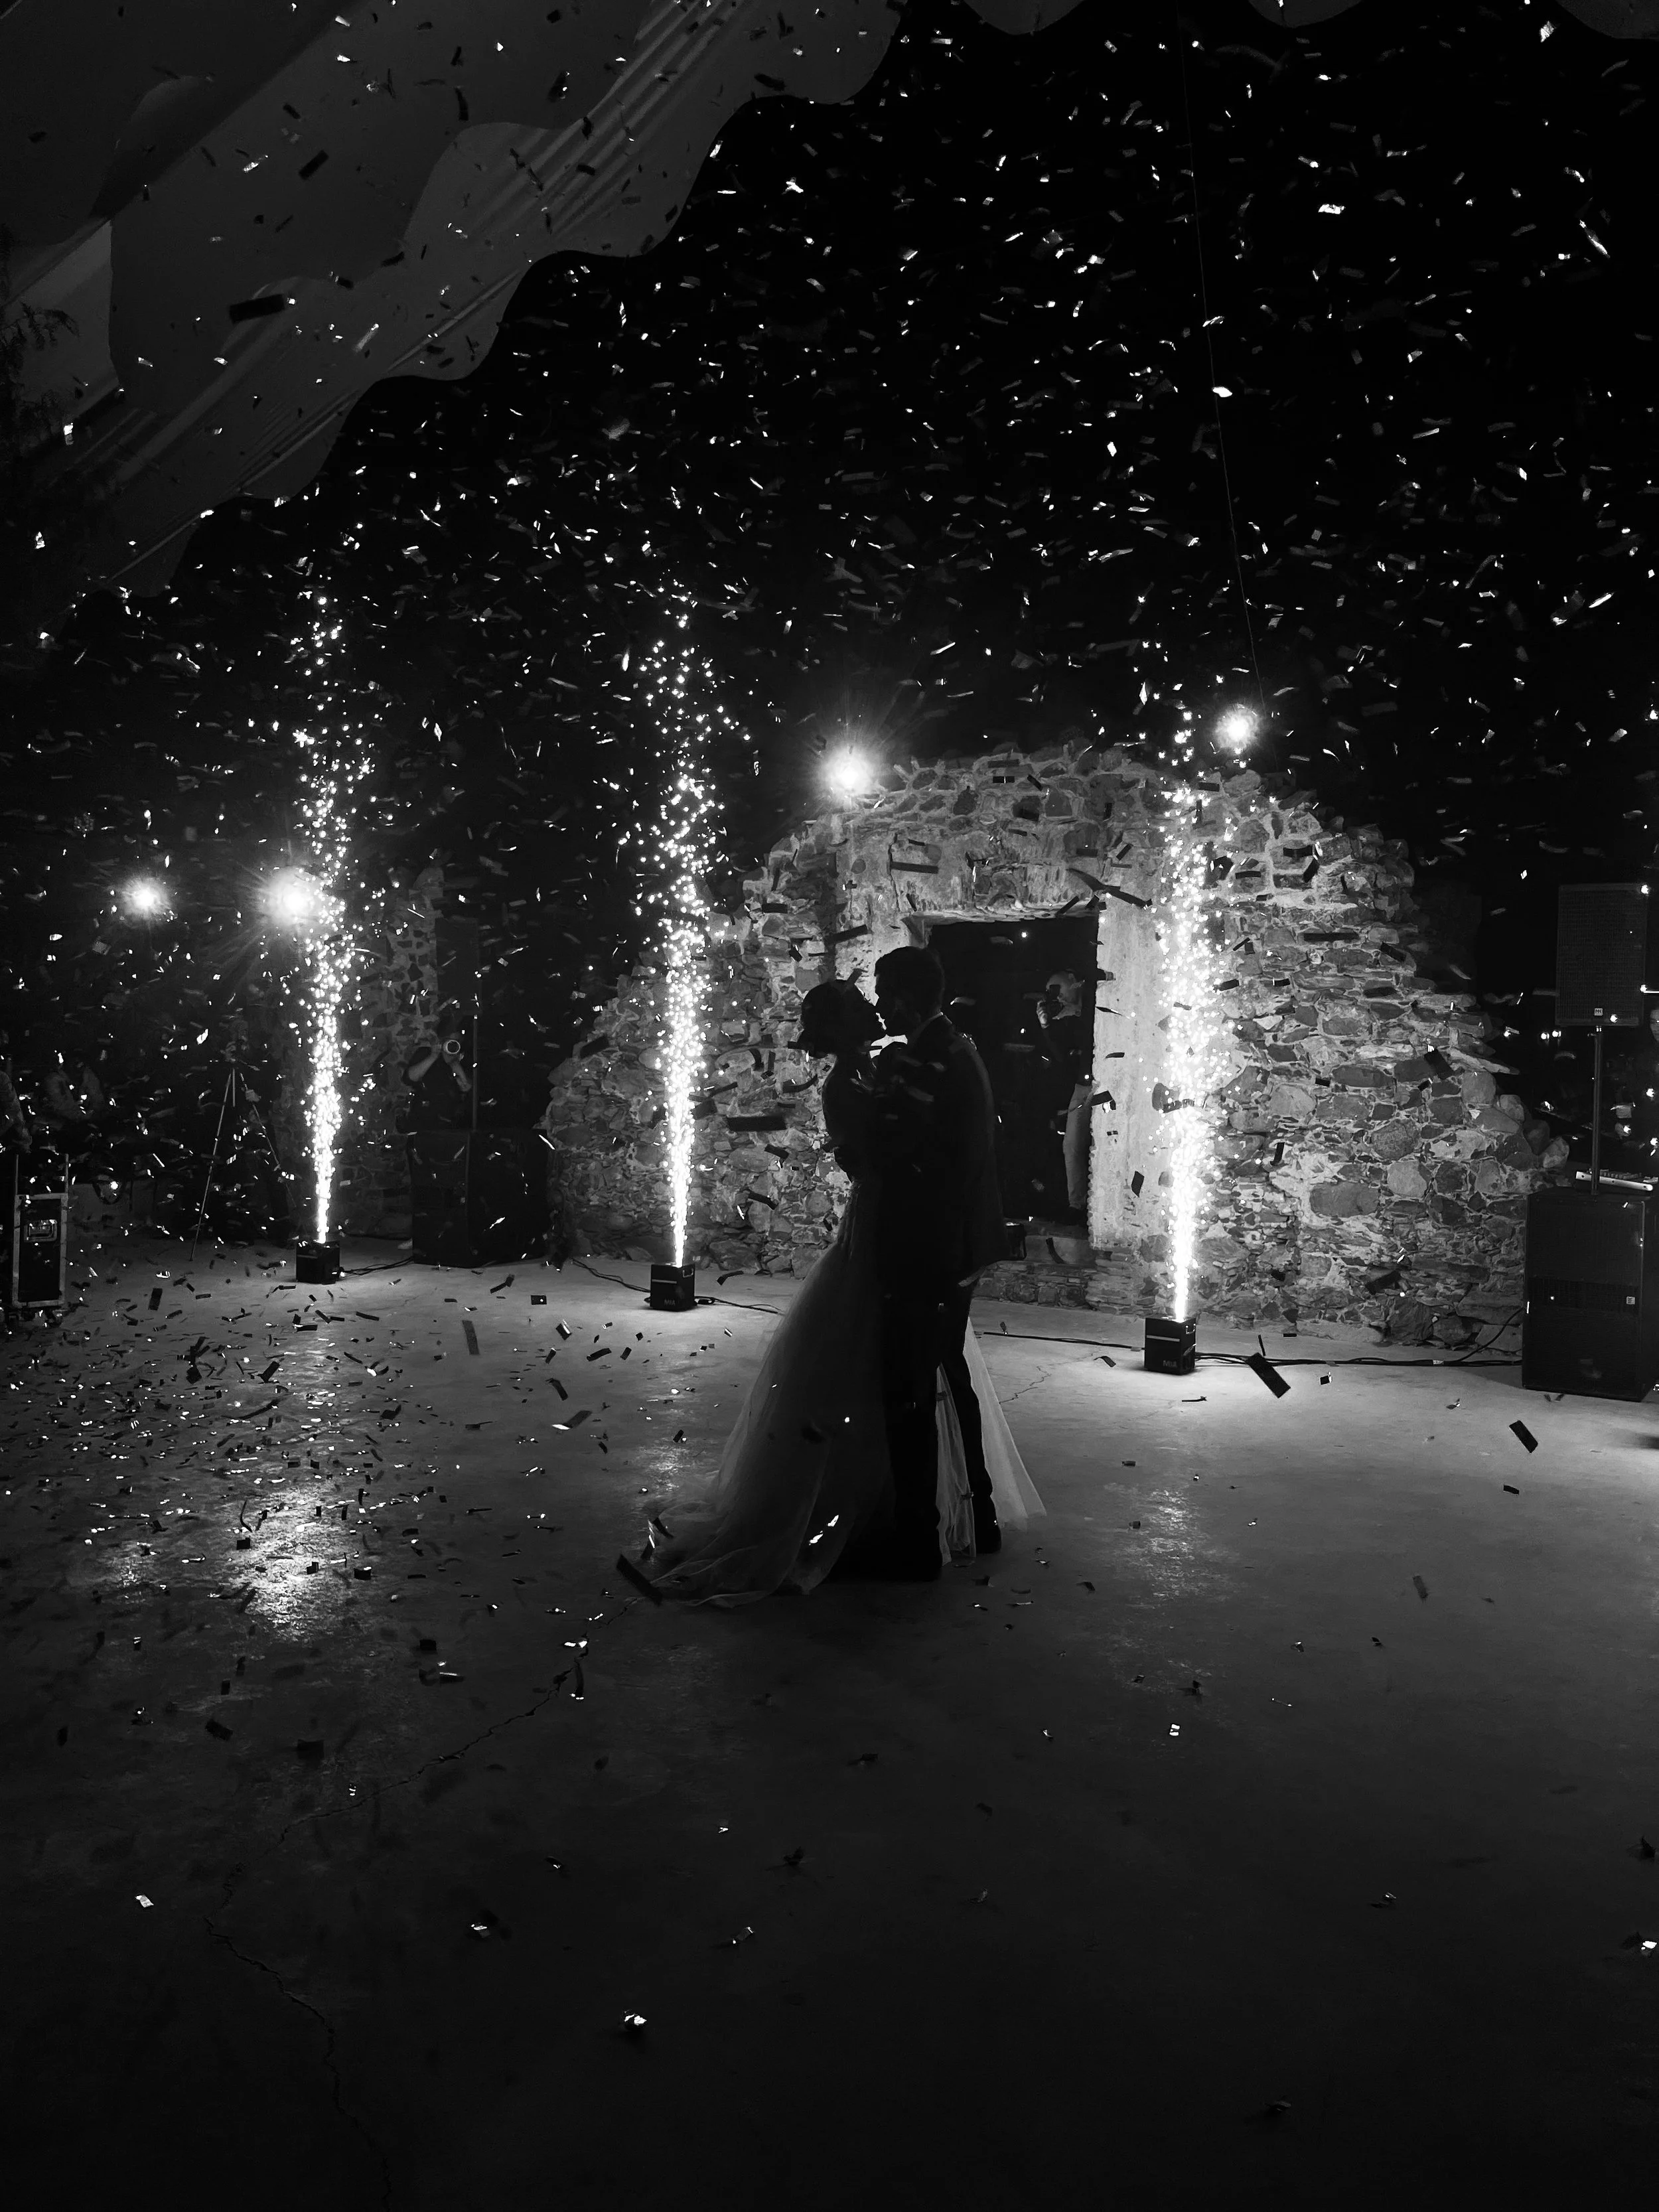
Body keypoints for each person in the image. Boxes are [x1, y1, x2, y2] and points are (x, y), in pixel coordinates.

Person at [632, 974, 1041, 1605]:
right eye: (860, 1004)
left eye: (877, 996)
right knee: (896, 1373)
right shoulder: (852, 1081)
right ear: (844, 1026)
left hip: (913, 1236)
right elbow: (874, 1156)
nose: (874, 1006)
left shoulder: (898, 1065)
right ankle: (904, 1517)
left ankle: (933, 1514)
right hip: (887, 1231)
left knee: (921, 1373)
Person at [1036, 970, 1092, 1225]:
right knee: (1071, 1144)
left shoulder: (1092, 1005)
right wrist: (1047, 1026)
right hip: (1084, 1084)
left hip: (1104, 1079)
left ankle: (1082, 1203)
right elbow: (1061, 1056)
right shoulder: (1068, 1020)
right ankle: (1076, 1205)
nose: (1057, 1000)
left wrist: (1074, 1013)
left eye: (1059, 993)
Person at [400, 1002, 474, 1132]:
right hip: (423, 1122)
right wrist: (433, 1056)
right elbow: (409, 1078)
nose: (453, 1046)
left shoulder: (461, 1062)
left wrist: (459, 1070)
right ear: (442, 1040)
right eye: (450, 1041)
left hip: (448, 1126)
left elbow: (467, 1088)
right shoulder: (426, 1054)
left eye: (457, 1042)